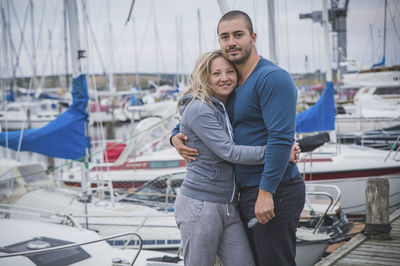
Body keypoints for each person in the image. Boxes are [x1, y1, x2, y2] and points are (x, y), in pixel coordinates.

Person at [171, 10, 305, 266]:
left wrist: (266, 193)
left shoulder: (272, 78)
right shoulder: (233, 82)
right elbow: (201, 115)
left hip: (274, 190)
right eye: (224, 36)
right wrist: (175, 136)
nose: (231, 41)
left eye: (238, 34)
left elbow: (279, 138)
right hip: (242, 194)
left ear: (253, 37)